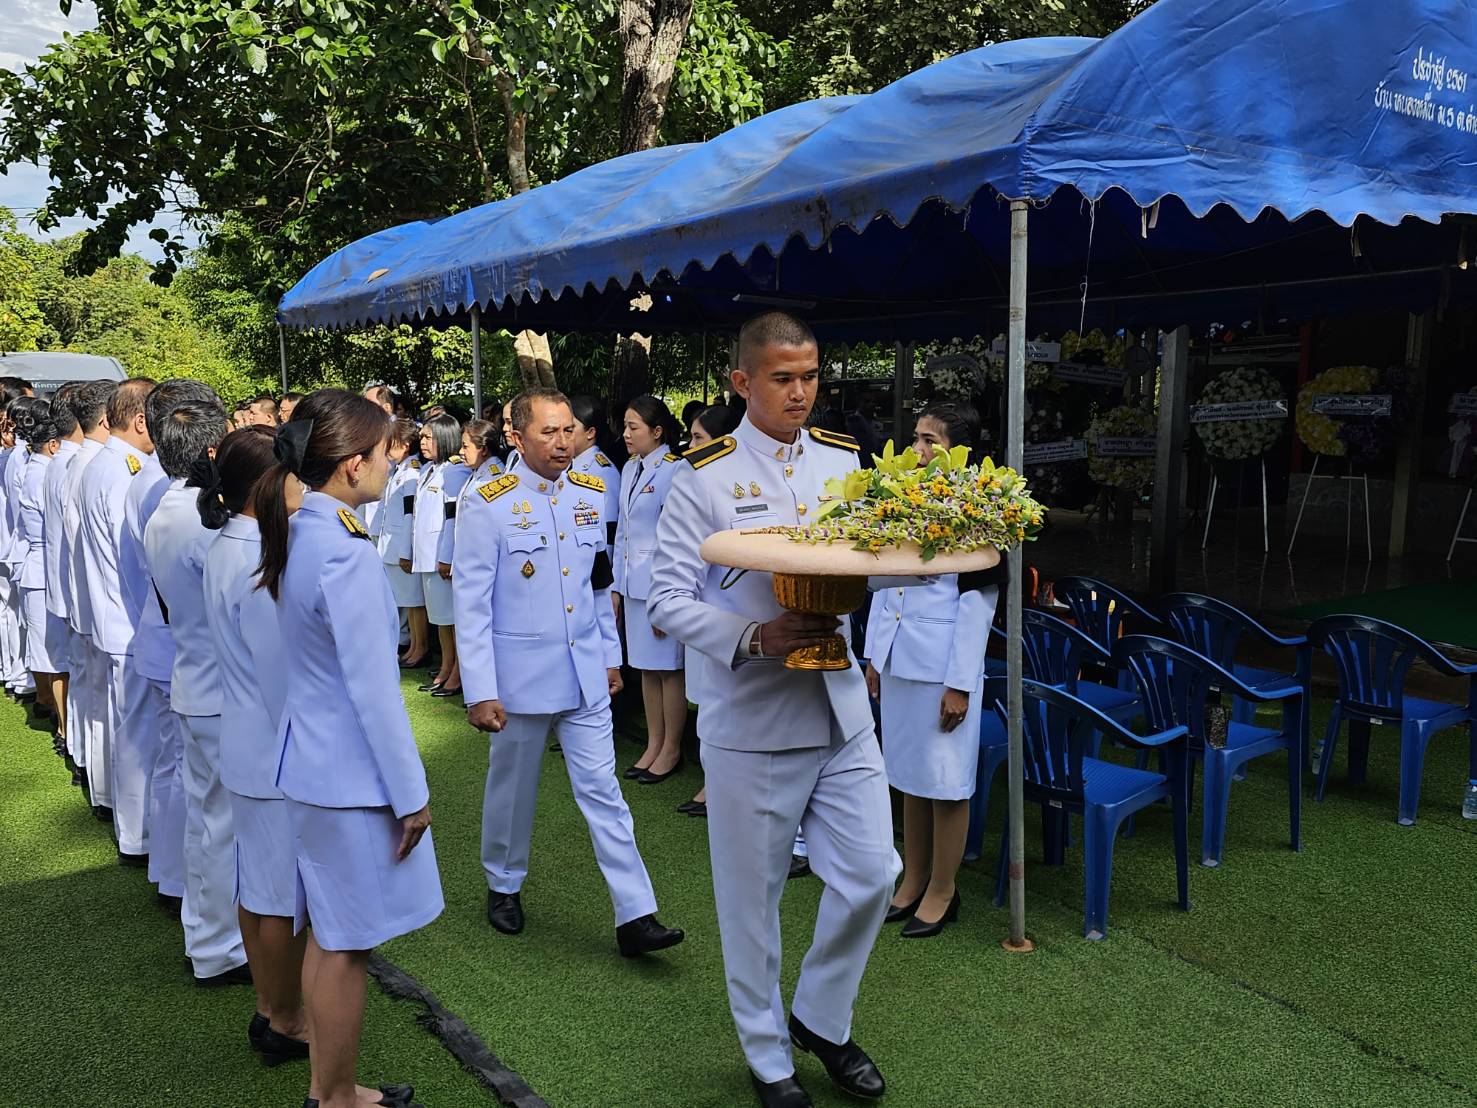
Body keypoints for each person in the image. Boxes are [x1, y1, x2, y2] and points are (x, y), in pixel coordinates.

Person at [649, 312, 899, 1108]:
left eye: (810, 375)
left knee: (873, 874)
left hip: (839, 705)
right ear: (742, 381)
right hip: (754, 716)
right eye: (782, 378)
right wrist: (754, 636)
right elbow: (664, 600)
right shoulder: (702, 477)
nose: (800, 392)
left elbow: (868, 557)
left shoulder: (843, 459)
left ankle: (820, 1019)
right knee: (752, 903)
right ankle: (768, 1060)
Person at [258, 389, 440, 1108]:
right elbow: (373, 692)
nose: (393, 462)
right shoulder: (345, 551)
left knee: (330, 935)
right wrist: (411, 795)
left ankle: (329, 1090)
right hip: (347, 777)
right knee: (344, 944)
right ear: (352, 464)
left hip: (312, 764)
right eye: (386, 450)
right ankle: (334, 1098)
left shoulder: (305, 531)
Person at [453, 387, 683, 956]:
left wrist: (609, 656)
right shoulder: (488, 502)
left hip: (584, 674)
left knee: (604, 791)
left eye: (567, 431)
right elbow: (472, 604)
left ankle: (635, 913)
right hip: (519, 680)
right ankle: (503, 883)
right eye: (548, 432)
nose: (562, 443)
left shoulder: (588, 491)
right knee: (513, 790)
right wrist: (480, 690)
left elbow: (597, 585)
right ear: (516, 437)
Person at [864, 402, 999, 939]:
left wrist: (960, 685)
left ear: (960, 452)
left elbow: (977, 604)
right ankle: (913, 878)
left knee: (945, 782)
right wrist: (875, 656)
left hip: (942, 671)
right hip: (900, 661)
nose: (917, 450)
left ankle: (943, 889)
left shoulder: (977, 509)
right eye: (916, 439)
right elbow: (883, 579)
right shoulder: (901, 495)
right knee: (908, 778)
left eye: (930, 442)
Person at [199, 425, 310, 1063]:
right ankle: (284, 1017)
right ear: (268, 483)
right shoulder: (259, 558)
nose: (303, 485)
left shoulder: (229, 543)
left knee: (257, 887)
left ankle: (271, 1009)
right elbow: (280, 681)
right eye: (294, 474)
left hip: (243, 737)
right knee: (278, 899)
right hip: (272, 746)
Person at [143, 385, 250, 985]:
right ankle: (222, 947)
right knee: (224, 824)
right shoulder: (206, 522)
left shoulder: (171, 508)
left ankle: (208, 937)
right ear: (213, 450)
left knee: (207, 819)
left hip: (196, 679)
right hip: (221, 688)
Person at [125, 380, 213, 918]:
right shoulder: (182, 501)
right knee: (187, 775)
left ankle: (168, 871)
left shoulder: (155, 485)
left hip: (166, 642)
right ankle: (178, 880)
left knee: (172, 764)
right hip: (182, 646)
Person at [76, 376, 158, 858]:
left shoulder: (103, 463)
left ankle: (116, 807)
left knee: (120, 723)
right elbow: (136, 564)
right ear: (141, 421)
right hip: (128, 620)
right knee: (137, 733)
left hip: (111, 616)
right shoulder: (126, 471)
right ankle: (137, 835)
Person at [672, 404, 743, 819]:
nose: (691, 446)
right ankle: (711, 780)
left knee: (726, 705)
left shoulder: (738, 485)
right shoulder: (693, 480)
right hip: (699, 608)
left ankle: (720, 786)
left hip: (730, 614)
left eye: (699, 438)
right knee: (705, 700)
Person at [612, 396, 686, 783]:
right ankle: (654, 743)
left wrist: (664, 594)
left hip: (658, 583)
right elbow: (624, 531)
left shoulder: (674, 469)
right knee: (645, 667)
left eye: (633, 427)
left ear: (657, 431)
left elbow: (674, 538)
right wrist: (616, 586)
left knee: (668, 670)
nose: (626, 434)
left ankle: (671, 748)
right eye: (625, 426)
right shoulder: (630, 468)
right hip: (632, 583)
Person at [57, 380, 113, 796]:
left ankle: (91, 772)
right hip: (100, 602)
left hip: (86, 598)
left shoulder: (80, 462)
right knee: (103, 704)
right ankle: (103, 787)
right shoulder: (98, 466)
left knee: (91, 695)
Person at [40, 384, 84, 752]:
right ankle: (69, 734)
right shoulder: (72, 465)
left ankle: (69, 734)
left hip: (67, 583)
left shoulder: (60, 463)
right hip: (76, 587)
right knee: (79, 671)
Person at [405, 413, 461, 696]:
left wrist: (447, 557)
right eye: (423, 437)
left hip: (441, 555)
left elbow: (452, 518)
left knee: (451, 618)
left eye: (429, 437)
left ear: (445, 438)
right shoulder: (429, 469)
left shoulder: (455, 471)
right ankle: (446, 667)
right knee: (440, 618)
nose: (423, 442)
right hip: (426, 555)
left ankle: (455, 672)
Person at [15, 400, 60, 722]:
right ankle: (49, 703)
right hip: (42, 564)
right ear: (53, 445)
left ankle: (47, 701)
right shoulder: (42, 473)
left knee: (44, 643)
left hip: (38, 562)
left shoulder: (35, 466)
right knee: (49, 648)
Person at [377, 420, 429, 666]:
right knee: (407, 601)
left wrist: (405, 550)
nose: (388, 448)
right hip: (392, 545)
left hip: (402, 546)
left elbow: (410, 514)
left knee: (414, 602)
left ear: (406, 445)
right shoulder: (400, 470)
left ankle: (420, 648)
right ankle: (414, 647)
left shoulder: (412, 472)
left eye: (393, 443)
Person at [567, 395, 622, 551]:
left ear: (590, 432)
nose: (563, 435)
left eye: (570, 429)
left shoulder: (603, 471)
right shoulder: (568, 465)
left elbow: (609, 529)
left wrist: (602, 565)